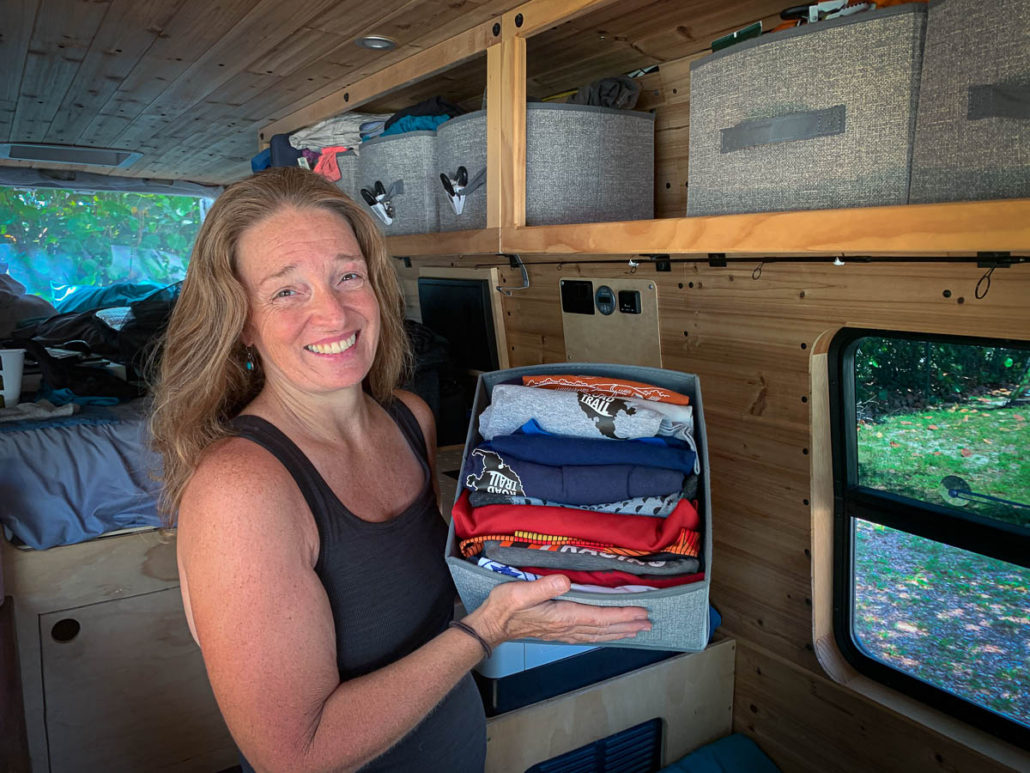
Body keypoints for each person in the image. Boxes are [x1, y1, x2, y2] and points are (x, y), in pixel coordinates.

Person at [149, 166, 651, 773]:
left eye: (347, 276)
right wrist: (488, 631)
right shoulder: (241, 490)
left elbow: (429, 603)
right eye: (287, 290)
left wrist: (551, 578)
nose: (334, 314)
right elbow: (293, 754)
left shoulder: (410, 419)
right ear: (243, 323)